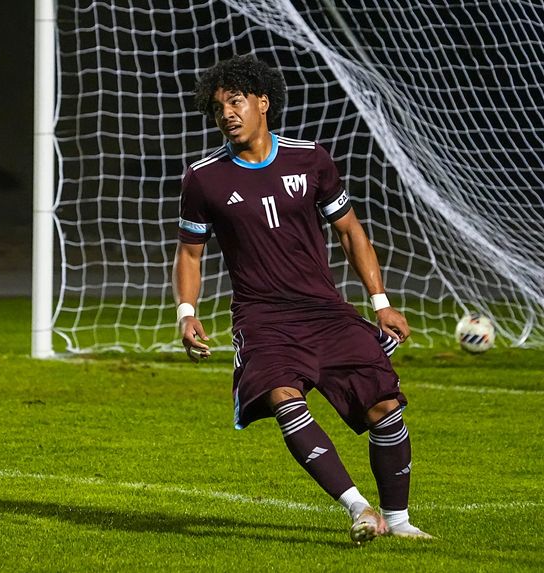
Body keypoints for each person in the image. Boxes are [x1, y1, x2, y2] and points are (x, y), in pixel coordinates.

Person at [172, 54, 431, 543]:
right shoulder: (203, 178)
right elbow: (189, 253)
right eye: (218, 107)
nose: (227, 113)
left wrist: (380, 302)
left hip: (325, 312)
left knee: (385, 408)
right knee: (284, 399)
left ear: (263, 102)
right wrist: (187, 313)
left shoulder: (311, 158)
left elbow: (351, 233)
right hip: (262, 318)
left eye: (236, 101)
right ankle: (358, 509)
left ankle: (399, 521)